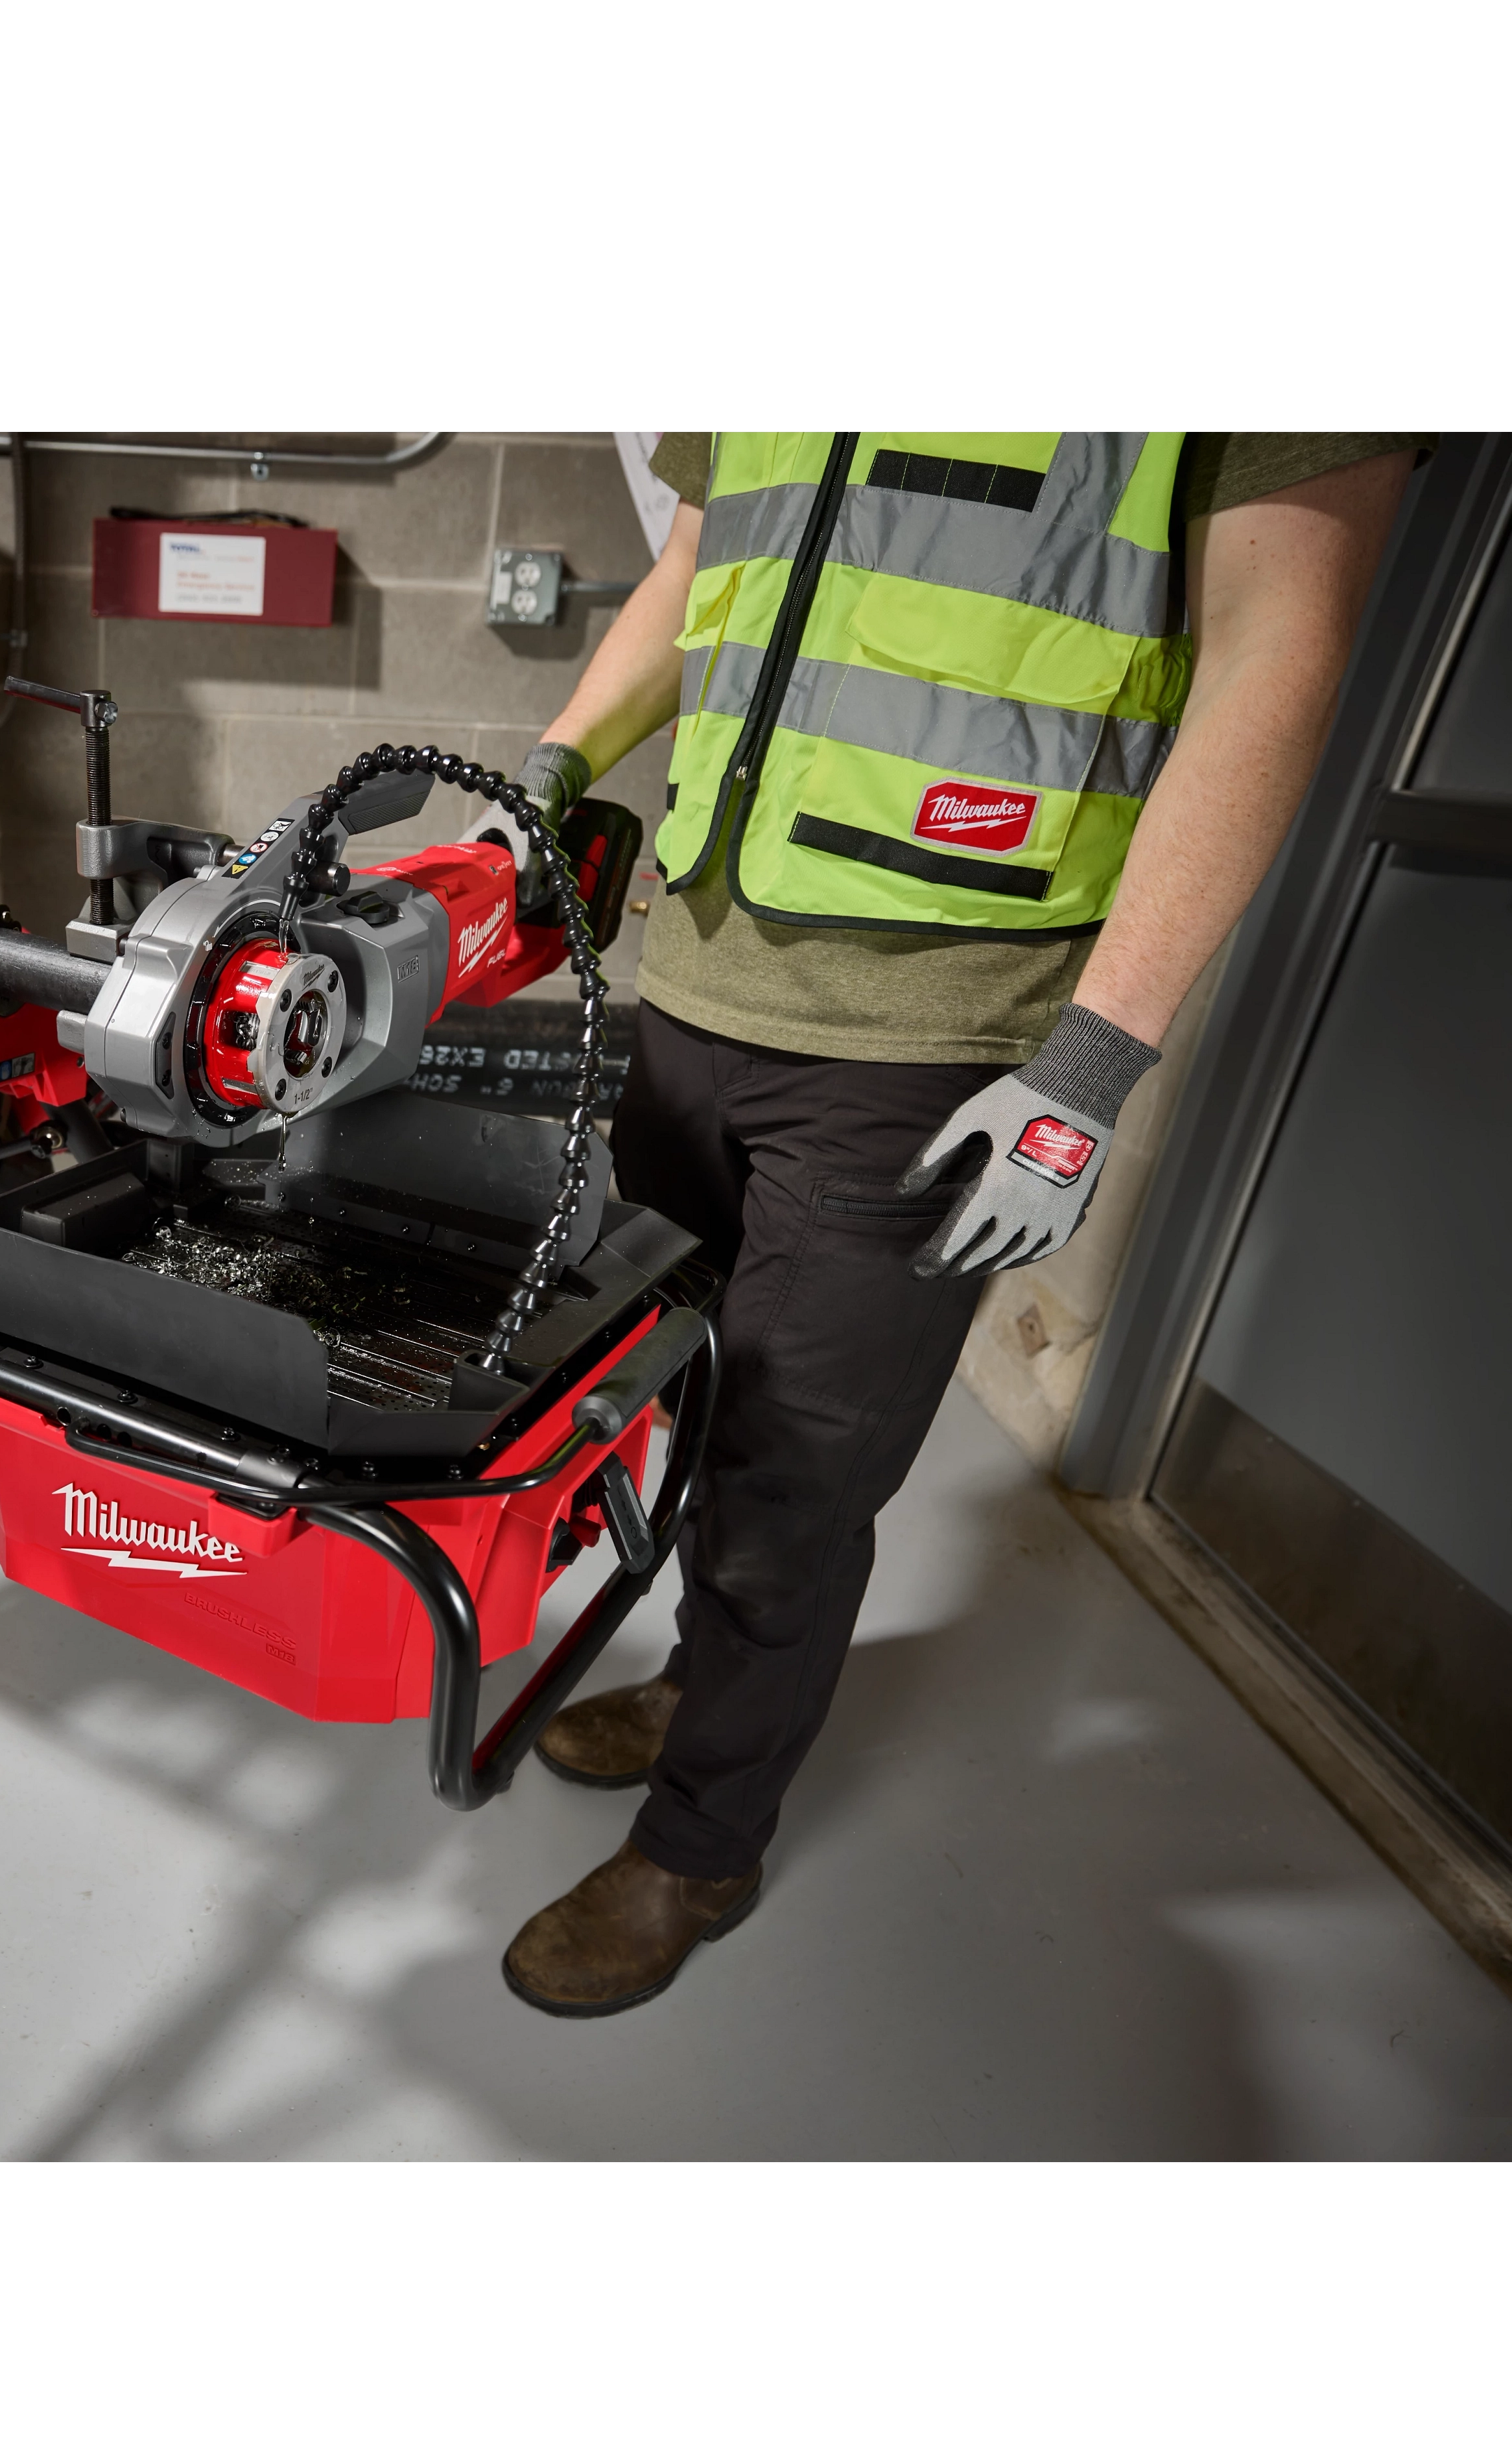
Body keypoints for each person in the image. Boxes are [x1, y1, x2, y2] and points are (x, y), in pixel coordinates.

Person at [469, 430, 1428, 2019]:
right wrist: (551, 763)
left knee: (796, 1476)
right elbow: (698, 567)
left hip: (923, 1036)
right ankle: (710, 1680)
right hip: (698, 983)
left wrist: (1091, 1059)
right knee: (678, 1389)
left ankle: (702, 1843)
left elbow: (1280, 645)